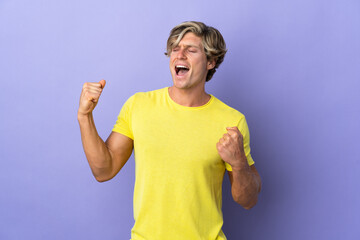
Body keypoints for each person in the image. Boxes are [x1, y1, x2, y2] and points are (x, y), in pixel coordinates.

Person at [78, 21, 262, 240]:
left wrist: (240, 163)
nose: (179, 55)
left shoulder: (232, 121)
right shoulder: (139, 105)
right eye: (175, 49)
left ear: (211, 62)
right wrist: (85, 116)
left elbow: (248, 200)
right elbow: (103, 171)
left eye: (191, 50)